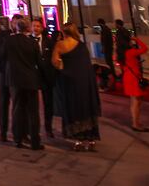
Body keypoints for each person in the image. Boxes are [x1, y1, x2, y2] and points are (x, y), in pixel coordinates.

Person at [52, 21, 101, 151]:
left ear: (63, 31)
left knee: (73, 107)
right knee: (86, 107)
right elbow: (87, 64)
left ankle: (78, 140)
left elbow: (55, 62)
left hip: (69, 81)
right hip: (84, 81)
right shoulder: (81, 45)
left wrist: (63, 67)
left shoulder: (60, 45)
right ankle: (90, 139)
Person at [8, 18, 43, 150]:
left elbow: (3, 58)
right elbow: (39, 62)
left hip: (15, 80)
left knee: (17, 109)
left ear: (17, 28)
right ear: (27, 28)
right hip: (30, 80)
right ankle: (35, 140)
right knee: (33, 112)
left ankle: (18, 139)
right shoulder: (32, 43)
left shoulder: (9, 41)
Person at [0, 14, 22, 141]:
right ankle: (3, 131)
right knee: (4, 101)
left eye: (19, 23)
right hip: (4, 72)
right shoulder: (4, 35)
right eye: (15, 23)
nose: (16, 25)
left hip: (16, 74)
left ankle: (18, 132)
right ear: (12, 23)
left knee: (17, 102)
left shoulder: (23, 38)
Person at [32, 17, 57, 137]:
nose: (36, 28)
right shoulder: (27, 40)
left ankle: (48, 127)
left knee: (48, 103)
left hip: (47, 76)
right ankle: (33, 127)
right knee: (32, 104)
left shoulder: (48, 41)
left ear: (42, 28)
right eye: (34, 26)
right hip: (32, 76)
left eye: (38, 26)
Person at [121, 35, 149, 132]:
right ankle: (135, 124)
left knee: (135, 101)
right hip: (133, 78)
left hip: (127, 77)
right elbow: (145, 48)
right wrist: (136, 39)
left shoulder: (121, 53)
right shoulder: (131, 52)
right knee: (136, 102)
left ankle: (136, 122)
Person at [97, 18, 115, 85]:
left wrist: (103, 48)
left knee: (109, 62)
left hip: (107, 49)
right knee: (110, 62)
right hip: (109, 48)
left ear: (100, 23)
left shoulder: (104, 30)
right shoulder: (108, 29)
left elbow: (104, 40)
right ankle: (113, 75)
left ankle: (112, 75)